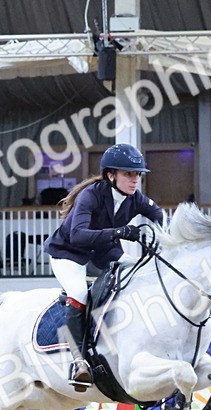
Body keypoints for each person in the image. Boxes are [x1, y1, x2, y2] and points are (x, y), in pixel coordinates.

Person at [44, 143, 165, 389]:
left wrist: (158, 238)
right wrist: (119, 231)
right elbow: (78, 235)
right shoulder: (91, 195)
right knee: (79, 293)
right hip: (69, 254)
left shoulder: (136, 198)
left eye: (138, 175)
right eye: (129, 174)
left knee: (136, 274)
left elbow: (158, 215)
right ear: (111, 175)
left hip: (103, 252)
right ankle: (78, 362)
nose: (135, 180)